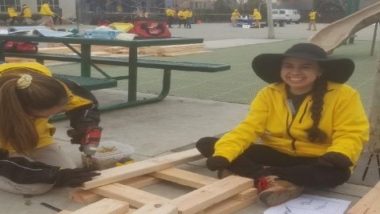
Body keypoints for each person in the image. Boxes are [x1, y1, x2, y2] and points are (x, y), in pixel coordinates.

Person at [196, 43, 369, 207]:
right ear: (281, 69)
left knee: (338, 173)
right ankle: (281, 181)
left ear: (320, 70)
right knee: (208, 144)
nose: (295, 72)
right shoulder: (268, 93)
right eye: (289, 66)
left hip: (318, 157)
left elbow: (351, 132)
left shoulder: (344, 95)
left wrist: (339, 153)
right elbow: (248, 128)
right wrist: (224, 154)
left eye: (305, 67)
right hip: (278, 153)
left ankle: (257, 176)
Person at [0, 62, 101, 195]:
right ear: (21, 111)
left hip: (37, 138)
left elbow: (85, 104)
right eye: (41, 116)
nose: (49, 118)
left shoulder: (53, 87)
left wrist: (86, 125)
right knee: (38, 186)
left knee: (69, 171)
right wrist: (53, 176)